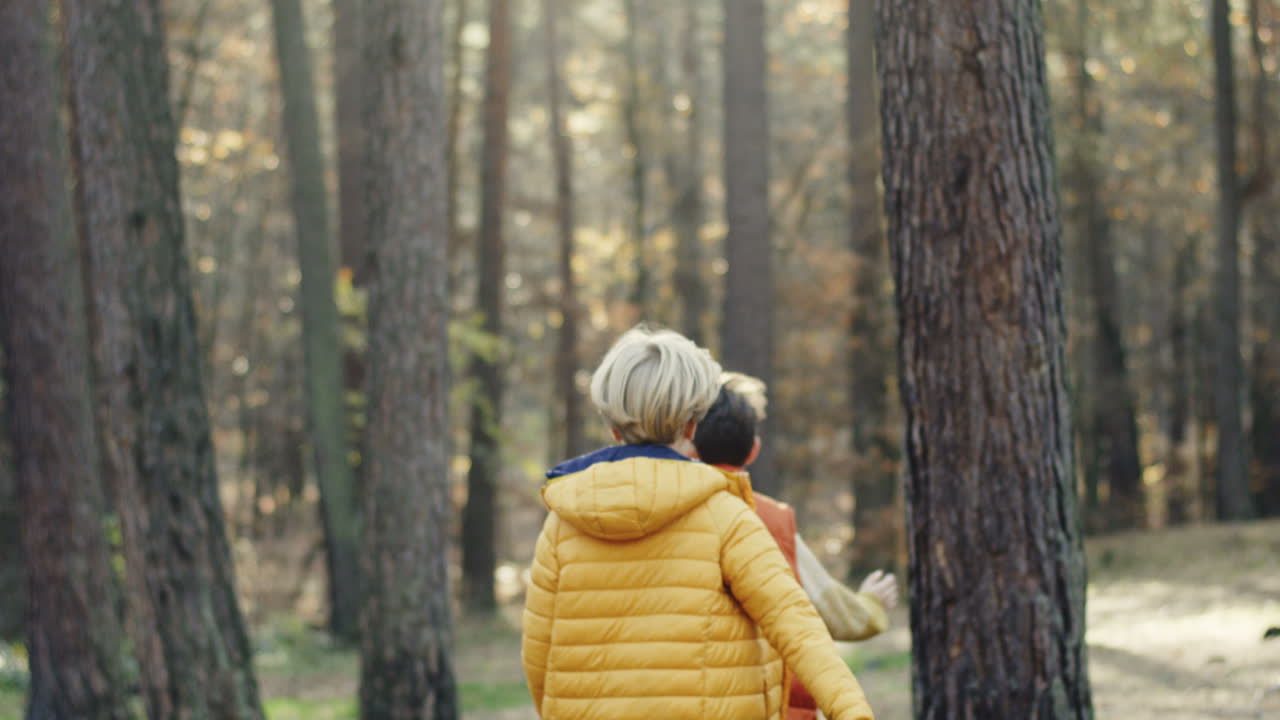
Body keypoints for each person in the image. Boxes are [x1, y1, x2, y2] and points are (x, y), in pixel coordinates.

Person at [521, 325, 875, 720]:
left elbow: (539, 655)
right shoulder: (727, 516)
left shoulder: (562, 526)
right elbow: (798, 628)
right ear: (692, 426)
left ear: (612, 427)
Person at [692, 373, 898, 720]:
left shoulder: (674, 514)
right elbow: (834, 613)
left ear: (689, 443)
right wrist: (872, 604)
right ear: (754, 450)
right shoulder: (771, 522)